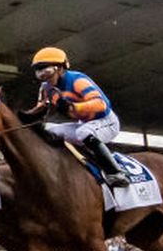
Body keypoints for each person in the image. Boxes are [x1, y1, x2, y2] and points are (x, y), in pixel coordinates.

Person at [23, 46, 128, 188]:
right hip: (83, 124)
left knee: (83, 132)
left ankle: (115, 172)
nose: (43, 75)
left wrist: (73, 107)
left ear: (60, 68)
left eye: (46, 70)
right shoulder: (46, 88)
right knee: (48, 130)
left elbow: (101, 105)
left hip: (106, 122)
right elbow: (41, 108)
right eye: (39, 71)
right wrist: (24, 117)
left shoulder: (78, 80)